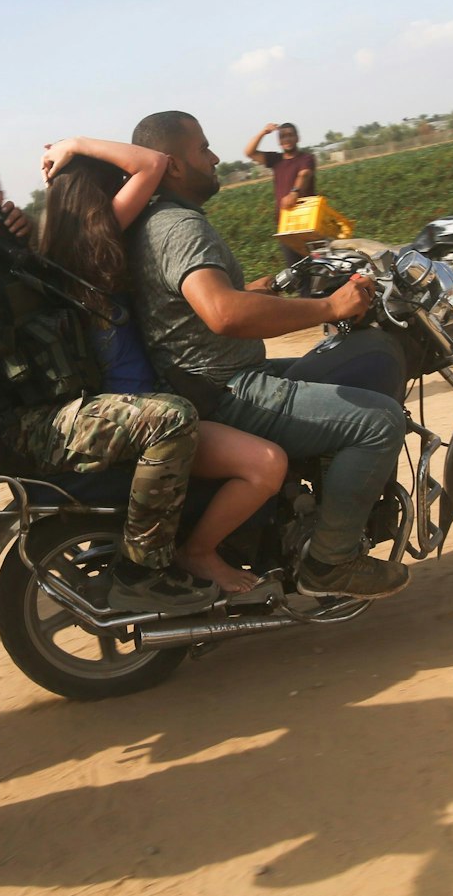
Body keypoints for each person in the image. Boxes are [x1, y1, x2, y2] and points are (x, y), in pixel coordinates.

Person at [0, 33, 216, 614]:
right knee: (170, 421)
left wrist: (21, 238)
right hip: (25, 425)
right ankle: (143, 571)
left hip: (61, 399)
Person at [129, 110, 409, 600]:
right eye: (203, 149)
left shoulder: (157, 220)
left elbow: (201, 299)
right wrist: (329, 305)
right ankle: (331, 561)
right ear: (172, 165)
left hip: (210, 376)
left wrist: (269, 287)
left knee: (342, 368)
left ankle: (308, 516)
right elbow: (223, 314)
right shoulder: (178, 227)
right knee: (380, 422)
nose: (215, 158)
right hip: (225, 387)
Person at [36, 137, 287, 595]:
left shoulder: (73, 258)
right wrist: (76, 144)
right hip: (147, 419)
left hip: (142, 407)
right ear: (96, 200)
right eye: (117, 186)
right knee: (265, 465)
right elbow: (153, 163)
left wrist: (251, 292)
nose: (137, 192)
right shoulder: (91, 250)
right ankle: (199, 553)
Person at [245, 122, 318, 265]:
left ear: (297, 138)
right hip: (285, 226)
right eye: (283, 136)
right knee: (297, 272)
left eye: (290, 135)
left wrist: (294, 193)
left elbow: (304, 175)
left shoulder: (306, 158)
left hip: (307, 223)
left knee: (319, 269)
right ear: (279, 141)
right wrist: (263, 132)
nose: (287, 139)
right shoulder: (276, 160)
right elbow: (249, 152)